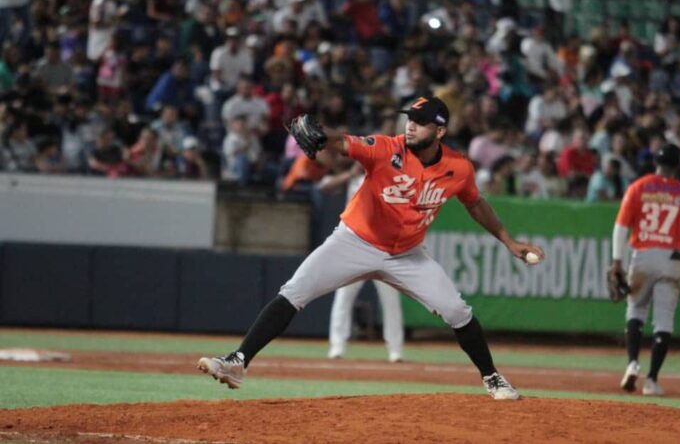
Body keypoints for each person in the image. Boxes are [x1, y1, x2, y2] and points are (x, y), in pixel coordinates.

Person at [197, 96, 545, 400]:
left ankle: (492, 377)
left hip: (407, 254)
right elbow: (344, 143)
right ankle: (238, 362)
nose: (411, 126)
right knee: (294, 291)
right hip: (354, 241)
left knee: (457, 311)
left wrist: (508, 241)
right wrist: (323, 137)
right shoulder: (386, 147)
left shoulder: (458, 168)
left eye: (420, 122)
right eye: (410, 119)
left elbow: (475, 204)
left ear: (439, 131)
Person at [610, 143, 680, 396]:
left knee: (635, 310)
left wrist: (617, 261)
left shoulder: (639, 187)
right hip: (671, 259)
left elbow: (620, 227)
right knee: (663, 320)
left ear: (656, 162)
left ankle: (631, 364)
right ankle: (651, 380)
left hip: (642, 256)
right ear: (677, 166)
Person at [318, 162, 405, 363]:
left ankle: (396, 350)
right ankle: (337, 347)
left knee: (391, 301)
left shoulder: (392, 183)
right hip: (355, 248)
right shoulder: (355, 179)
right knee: (343, 297)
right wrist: (350, 172)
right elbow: (324, 186)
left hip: (384, 249)